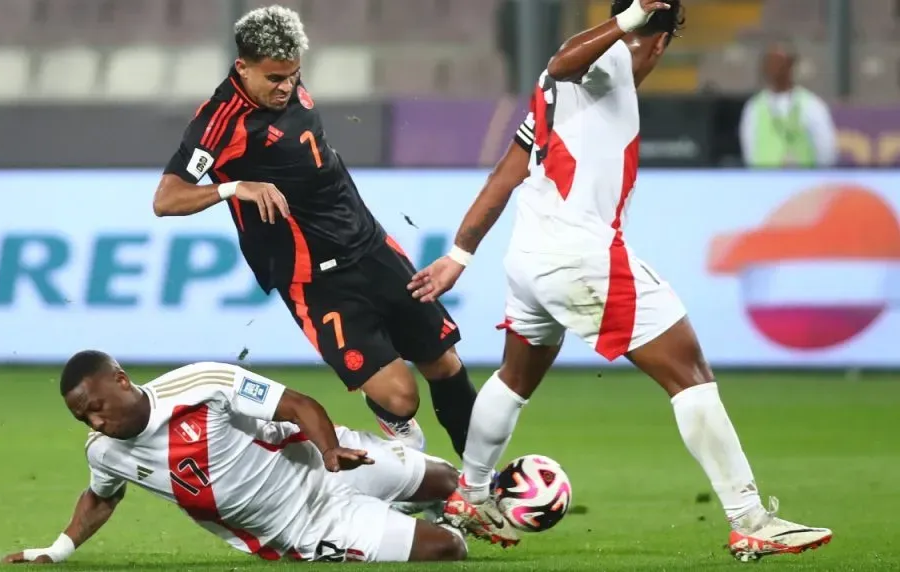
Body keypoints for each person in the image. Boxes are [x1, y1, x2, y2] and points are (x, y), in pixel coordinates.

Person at [407, 0, 833, 562]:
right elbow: (563, 59)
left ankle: (473, 492)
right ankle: (751, 519)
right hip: (580, 258)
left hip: (529, 259)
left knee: (514, 378)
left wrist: (461, 254)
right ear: (659, 42)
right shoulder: (603, 62)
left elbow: (504, 174)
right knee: (691, 374)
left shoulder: (551, 94)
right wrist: (631, 20)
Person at [151, 4, 477, 458]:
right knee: (403, 397)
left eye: (293, 76)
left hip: (371, 245)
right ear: (242, 67)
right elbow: (166, 199)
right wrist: (233, 188)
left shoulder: (283, 81)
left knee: (444, 362)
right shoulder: (219, 123)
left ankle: (484, 487)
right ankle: (402, 442)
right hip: (316, 277)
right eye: (274, 79)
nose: (286, 87)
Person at [1, 351, 467, 564]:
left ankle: (410, 501)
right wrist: (56, 551)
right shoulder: (105, 453)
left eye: (96, 408)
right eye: (84, 419)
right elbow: (101, 499)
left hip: (324, 462)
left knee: (452, 481)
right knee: (449, 548)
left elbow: (297, 404)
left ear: (121, 380)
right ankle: (415, 516)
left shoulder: (201, 383)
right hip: (306, 529)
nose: (96, 424)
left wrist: (329, 450)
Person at [739, 40, 837, 168]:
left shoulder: (811, 105)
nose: (773, 68)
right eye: (769, 63)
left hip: (804, 183)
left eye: (778, 63)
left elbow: (826, 149)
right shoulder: (754, 108)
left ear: (790, 65)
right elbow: (749, 150)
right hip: (764, 183)